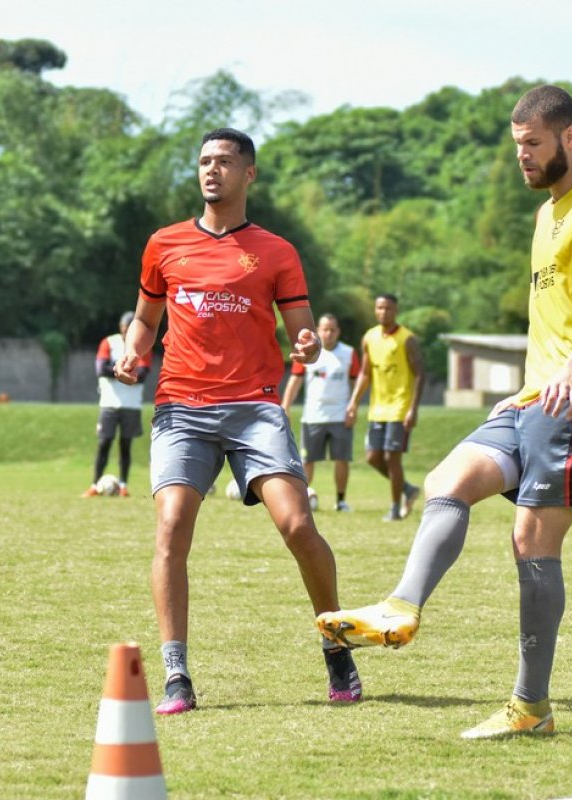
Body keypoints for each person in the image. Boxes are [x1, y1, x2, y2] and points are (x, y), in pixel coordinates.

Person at [316, 85, 572, 739]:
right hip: (536, 398)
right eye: (517, 145)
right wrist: (527, 384)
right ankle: (398, 609)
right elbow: (556, 317)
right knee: (445, 482)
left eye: (533, 145)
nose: (522, 157)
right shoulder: (547, 214)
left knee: (532, 542)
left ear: (569, 138)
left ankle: (530, 709)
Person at [113, 127, 361, 715]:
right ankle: (177, 674)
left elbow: (304, 334)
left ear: (249, 173)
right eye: (204, 161)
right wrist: (132, 349)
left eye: (224, 161)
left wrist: (305, 347)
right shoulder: (164, 244)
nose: (211, 170)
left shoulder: (276, 251)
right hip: (182, 407)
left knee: (298, 525)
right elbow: (146, 321)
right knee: (171, 525)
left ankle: (335, 644)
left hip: (255, 408)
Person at [346, 294, 425, 521]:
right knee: (372, 458)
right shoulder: (369, 338)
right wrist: (353, 402)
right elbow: (364, 373)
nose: (383, 312)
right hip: (377, 409)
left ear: (396, 310)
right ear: (375, 310)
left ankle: (394, 508)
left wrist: (413, 408)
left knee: (392, 457)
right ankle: (408, 489)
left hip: (400, 408)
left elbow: (420, 374)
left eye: (388, 308)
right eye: (379, 308)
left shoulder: (407, 339)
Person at [281, 313, 361, 513]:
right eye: (325, 329)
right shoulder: (309, 352)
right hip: (313, 415)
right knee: (308, 460)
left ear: (338, 332)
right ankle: (302, 499)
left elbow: (355, 383)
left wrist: (353, 407)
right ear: (318, 330)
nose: (329, 333)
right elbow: (295, 380)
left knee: (341, 459)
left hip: (339, 416)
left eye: (332, 330)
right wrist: (285, 406)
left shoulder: (349, 353)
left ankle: (341, 500)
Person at [82, 311, 152, 498]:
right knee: (104, 442)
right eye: (124, 326)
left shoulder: (142, 345)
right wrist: (124, 370)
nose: (126, 329)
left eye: (130, 327)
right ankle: (94, 485)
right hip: (109, 402)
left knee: (125, 445)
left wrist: (117, 368)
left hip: (131, 404)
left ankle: (123, 485)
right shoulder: (109, 342)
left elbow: (144, 373)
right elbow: (100, 369)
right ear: (120, 327)